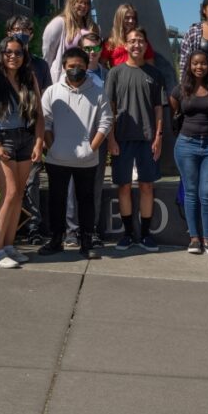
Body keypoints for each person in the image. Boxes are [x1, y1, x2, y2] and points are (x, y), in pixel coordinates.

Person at [0, 36, 45, 268]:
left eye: (18, 53)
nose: (13, 56)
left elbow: (39, 114)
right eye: (8, 52)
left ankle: (8, 246)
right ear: (1, 54)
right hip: (1, 138)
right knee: (10, 191)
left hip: (25, 137)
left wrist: (38, 142)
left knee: (18, 194)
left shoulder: (29, 78)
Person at [40, 47, 112, 259]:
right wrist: (52, 147)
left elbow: (106, 121)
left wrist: (92, 148)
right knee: (57, 200)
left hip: (87, 160)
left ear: (87, 67)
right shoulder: (52, 92)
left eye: (80, 66)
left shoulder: (98, 92)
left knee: (86, 201)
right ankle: (56, 240)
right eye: (71, 66)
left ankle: (87, 241)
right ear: (64, 67)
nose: (75, 70)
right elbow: (45, 122)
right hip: (57, 158)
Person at [105, 27, 166, 251]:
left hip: (148, 138)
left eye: (140, 40)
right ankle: (129, 234)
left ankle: (146, 234)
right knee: (123, 186)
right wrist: (110, 138)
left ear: (145, 44)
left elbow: (159, 109)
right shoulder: (115, 73)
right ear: (126, 45)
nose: (136, 45)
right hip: (122, 138)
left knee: (147, 185)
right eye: (132, 41)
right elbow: (109, 109)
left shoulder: (155, 74)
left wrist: (158, 137)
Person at [169, 49, 208, 255]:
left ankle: (207, 239)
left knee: (207, 192)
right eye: (195, 63)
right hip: (186, 145)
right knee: (191, 192)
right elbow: (174, 110)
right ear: (189, 66)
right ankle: (194, 239)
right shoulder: (181, 89)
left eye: (203, 63)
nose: (199, 67)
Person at [6, 15, 52, 245]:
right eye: (16, 29)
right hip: (6, 134)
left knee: (32, 182)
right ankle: (9, 230)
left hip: (31, 132)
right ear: (8, 33)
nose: (21, 33)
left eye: (26, 30)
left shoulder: (40, 66)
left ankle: (33, 227)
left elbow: (45, 102)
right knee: (9, 185)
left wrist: (41, 135)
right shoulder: (1, 63)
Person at [61, 32, 109, 248]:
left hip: (99, 138)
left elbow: (111, 111)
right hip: (74, 139)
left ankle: (92, 230)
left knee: (94, 186)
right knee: (72, 186)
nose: (92, 53)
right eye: (87, 49)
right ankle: (72, 231)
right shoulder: (69, 76)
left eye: (96, 49)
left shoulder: (108, 75)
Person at [41, 0, 99, 83]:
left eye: (86, 3)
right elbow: (48, 54)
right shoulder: (59, 23)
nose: (84, 6)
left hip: (88, 78)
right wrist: (46, 79)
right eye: (80, 2)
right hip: (64, 79)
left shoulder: (92, 26)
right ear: (71, 3)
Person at [103, 4, 154, 69]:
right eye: (127, 18)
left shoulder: (141, 41)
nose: (131, 21)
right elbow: (102, 63)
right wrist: (111, 76)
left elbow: (150, 64)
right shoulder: (110, 42)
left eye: (133, 18)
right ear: (119, 19)